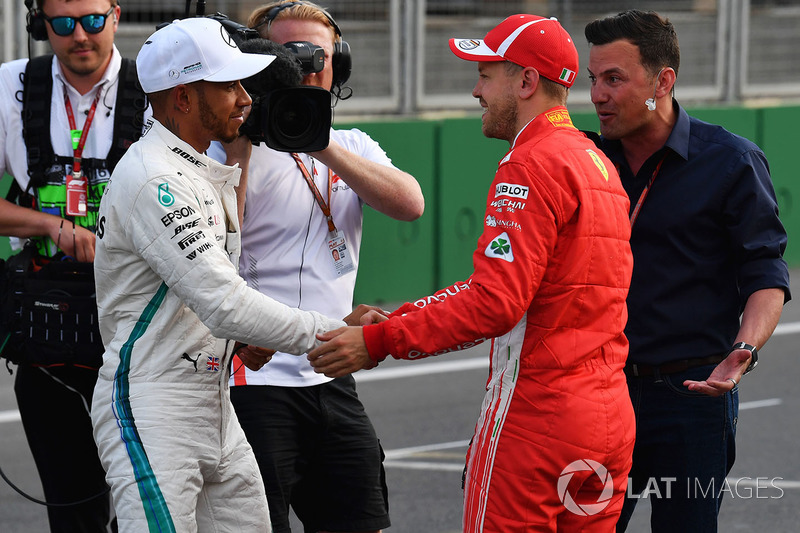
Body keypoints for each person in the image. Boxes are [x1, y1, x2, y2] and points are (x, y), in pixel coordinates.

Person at [307, 14, 636, 532]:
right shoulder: (596, 162)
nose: (475, 90)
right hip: (608, 418)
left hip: (537, 419)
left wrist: (382, 339)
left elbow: (495, 303)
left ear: (526, 81)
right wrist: (403, 316)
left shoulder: (528, 164)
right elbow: (514, 290)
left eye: (486, 74)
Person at [89, 17, 346, 532]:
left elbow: (201, 299)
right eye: (228, 85)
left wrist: (236, 342)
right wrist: (336, 333)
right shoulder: (156, 179)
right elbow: (224, 302)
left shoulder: (198, 169)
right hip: (152, 408)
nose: (246, 98)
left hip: (216, 404)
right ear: (183, 98)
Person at [212, 2, 424, 532]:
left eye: (315, 57)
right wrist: (242, 147)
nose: (302, 70)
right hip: (251, 386)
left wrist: (320, 142)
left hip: (331, 376)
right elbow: (219, 240)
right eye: (284, 57)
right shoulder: (227, 146)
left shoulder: (351, 145)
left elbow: (409, 203)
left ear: (339, 67)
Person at [584, 10, 791, 532]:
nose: (597, 96)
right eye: (593, 79)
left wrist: (743, 351)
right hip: (599, 393)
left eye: (614, 79)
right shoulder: (583, 159)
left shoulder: (731, 160)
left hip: (691, 396)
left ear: (663, 81)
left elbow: (766, 272)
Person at [0, 0, 145, 530]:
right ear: (40, 25)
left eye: (91, 20)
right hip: (46, 334)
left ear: (116, 15)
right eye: (62, 24)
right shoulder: (11, 86)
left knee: (147, 503)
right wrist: (50, 226)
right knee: (73, 508)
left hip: (138, 334)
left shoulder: (155, 84)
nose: (78, 35)